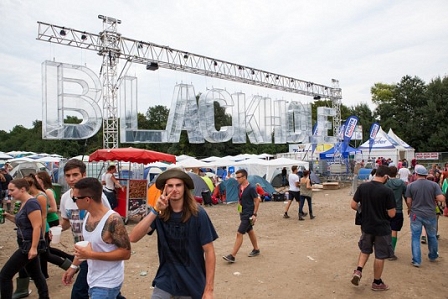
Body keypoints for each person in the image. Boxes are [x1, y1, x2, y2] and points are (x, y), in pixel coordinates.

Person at [129, 168, 218, 299]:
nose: (174, 189)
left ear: (185, 188)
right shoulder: (159, 214)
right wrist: (155, 210)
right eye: (170, 186)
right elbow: (133, 237)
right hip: (166, 280)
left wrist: (209, 289)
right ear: (164, 189)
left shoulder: (198, 214)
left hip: (191, 282)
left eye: (178, 185)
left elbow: (209, 251)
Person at [59, 159, 126, 299]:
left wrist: (90, 255)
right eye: (68, 175)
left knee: (79, 293)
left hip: (101, 267)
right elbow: (69, 223)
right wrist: (73, 266)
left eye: (75, 174)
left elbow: (124, 251)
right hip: (88, 259)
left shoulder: (106, 212)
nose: (71, 179)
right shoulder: (84, 215)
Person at [0, 179, 49, 299]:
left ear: (22, 189)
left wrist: (33, 247)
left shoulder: (31, 203)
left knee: (4, 276)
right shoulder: (24, 202)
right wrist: (8, 216)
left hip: (28, 245)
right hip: (24, 243)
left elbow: (37, 226)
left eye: (12, 190)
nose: (10, 193)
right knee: (36, 274)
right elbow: (21, 222)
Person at [350, 165, 396, 291]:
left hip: (366, 226)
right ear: (386, 176)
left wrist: (363, 210)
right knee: (380, 255)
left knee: (365, 250)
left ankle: (358, 271)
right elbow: (392, 214)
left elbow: (353, 205)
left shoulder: (363, 186)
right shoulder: (387, 191)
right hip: (382, 228)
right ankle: (377, 282)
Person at [405, 165, 445, 267]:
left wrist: (410, 209)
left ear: (416, 174)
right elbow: (441, 198)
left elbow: (409, 201)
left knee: (415, 237)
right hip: (430, 214)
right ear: (426, 174)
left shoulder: (411, 186)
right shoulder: (433, 185)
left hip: (416, 214)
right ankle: (433, 255)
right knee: (432, 236)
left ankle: (417, 260)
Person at [223, 169, 260, 263]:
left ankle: (232, 255)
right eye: (236, 177)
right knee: (250, 230)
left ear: (244, 177)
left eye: (239, 177)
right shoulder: (239, 187)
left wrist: (254, 214)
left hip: (249, 214)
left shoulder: (251, 188)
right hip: (242, 213)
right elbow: (240, 198)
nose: (237, 179)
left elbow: (257, 200)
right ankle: (256, 249)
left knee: (239, 233)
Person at [384, 166, 407, 260]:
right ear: (397, 173)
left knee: (386, 230)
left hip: (386, 210)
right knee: (394, 231)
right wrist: (409, 207)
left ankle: (385, 250)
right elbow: (406, 195)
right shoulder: (401, 183)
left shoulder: (385, 183)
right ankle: (391, 251)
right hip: (397, 210)